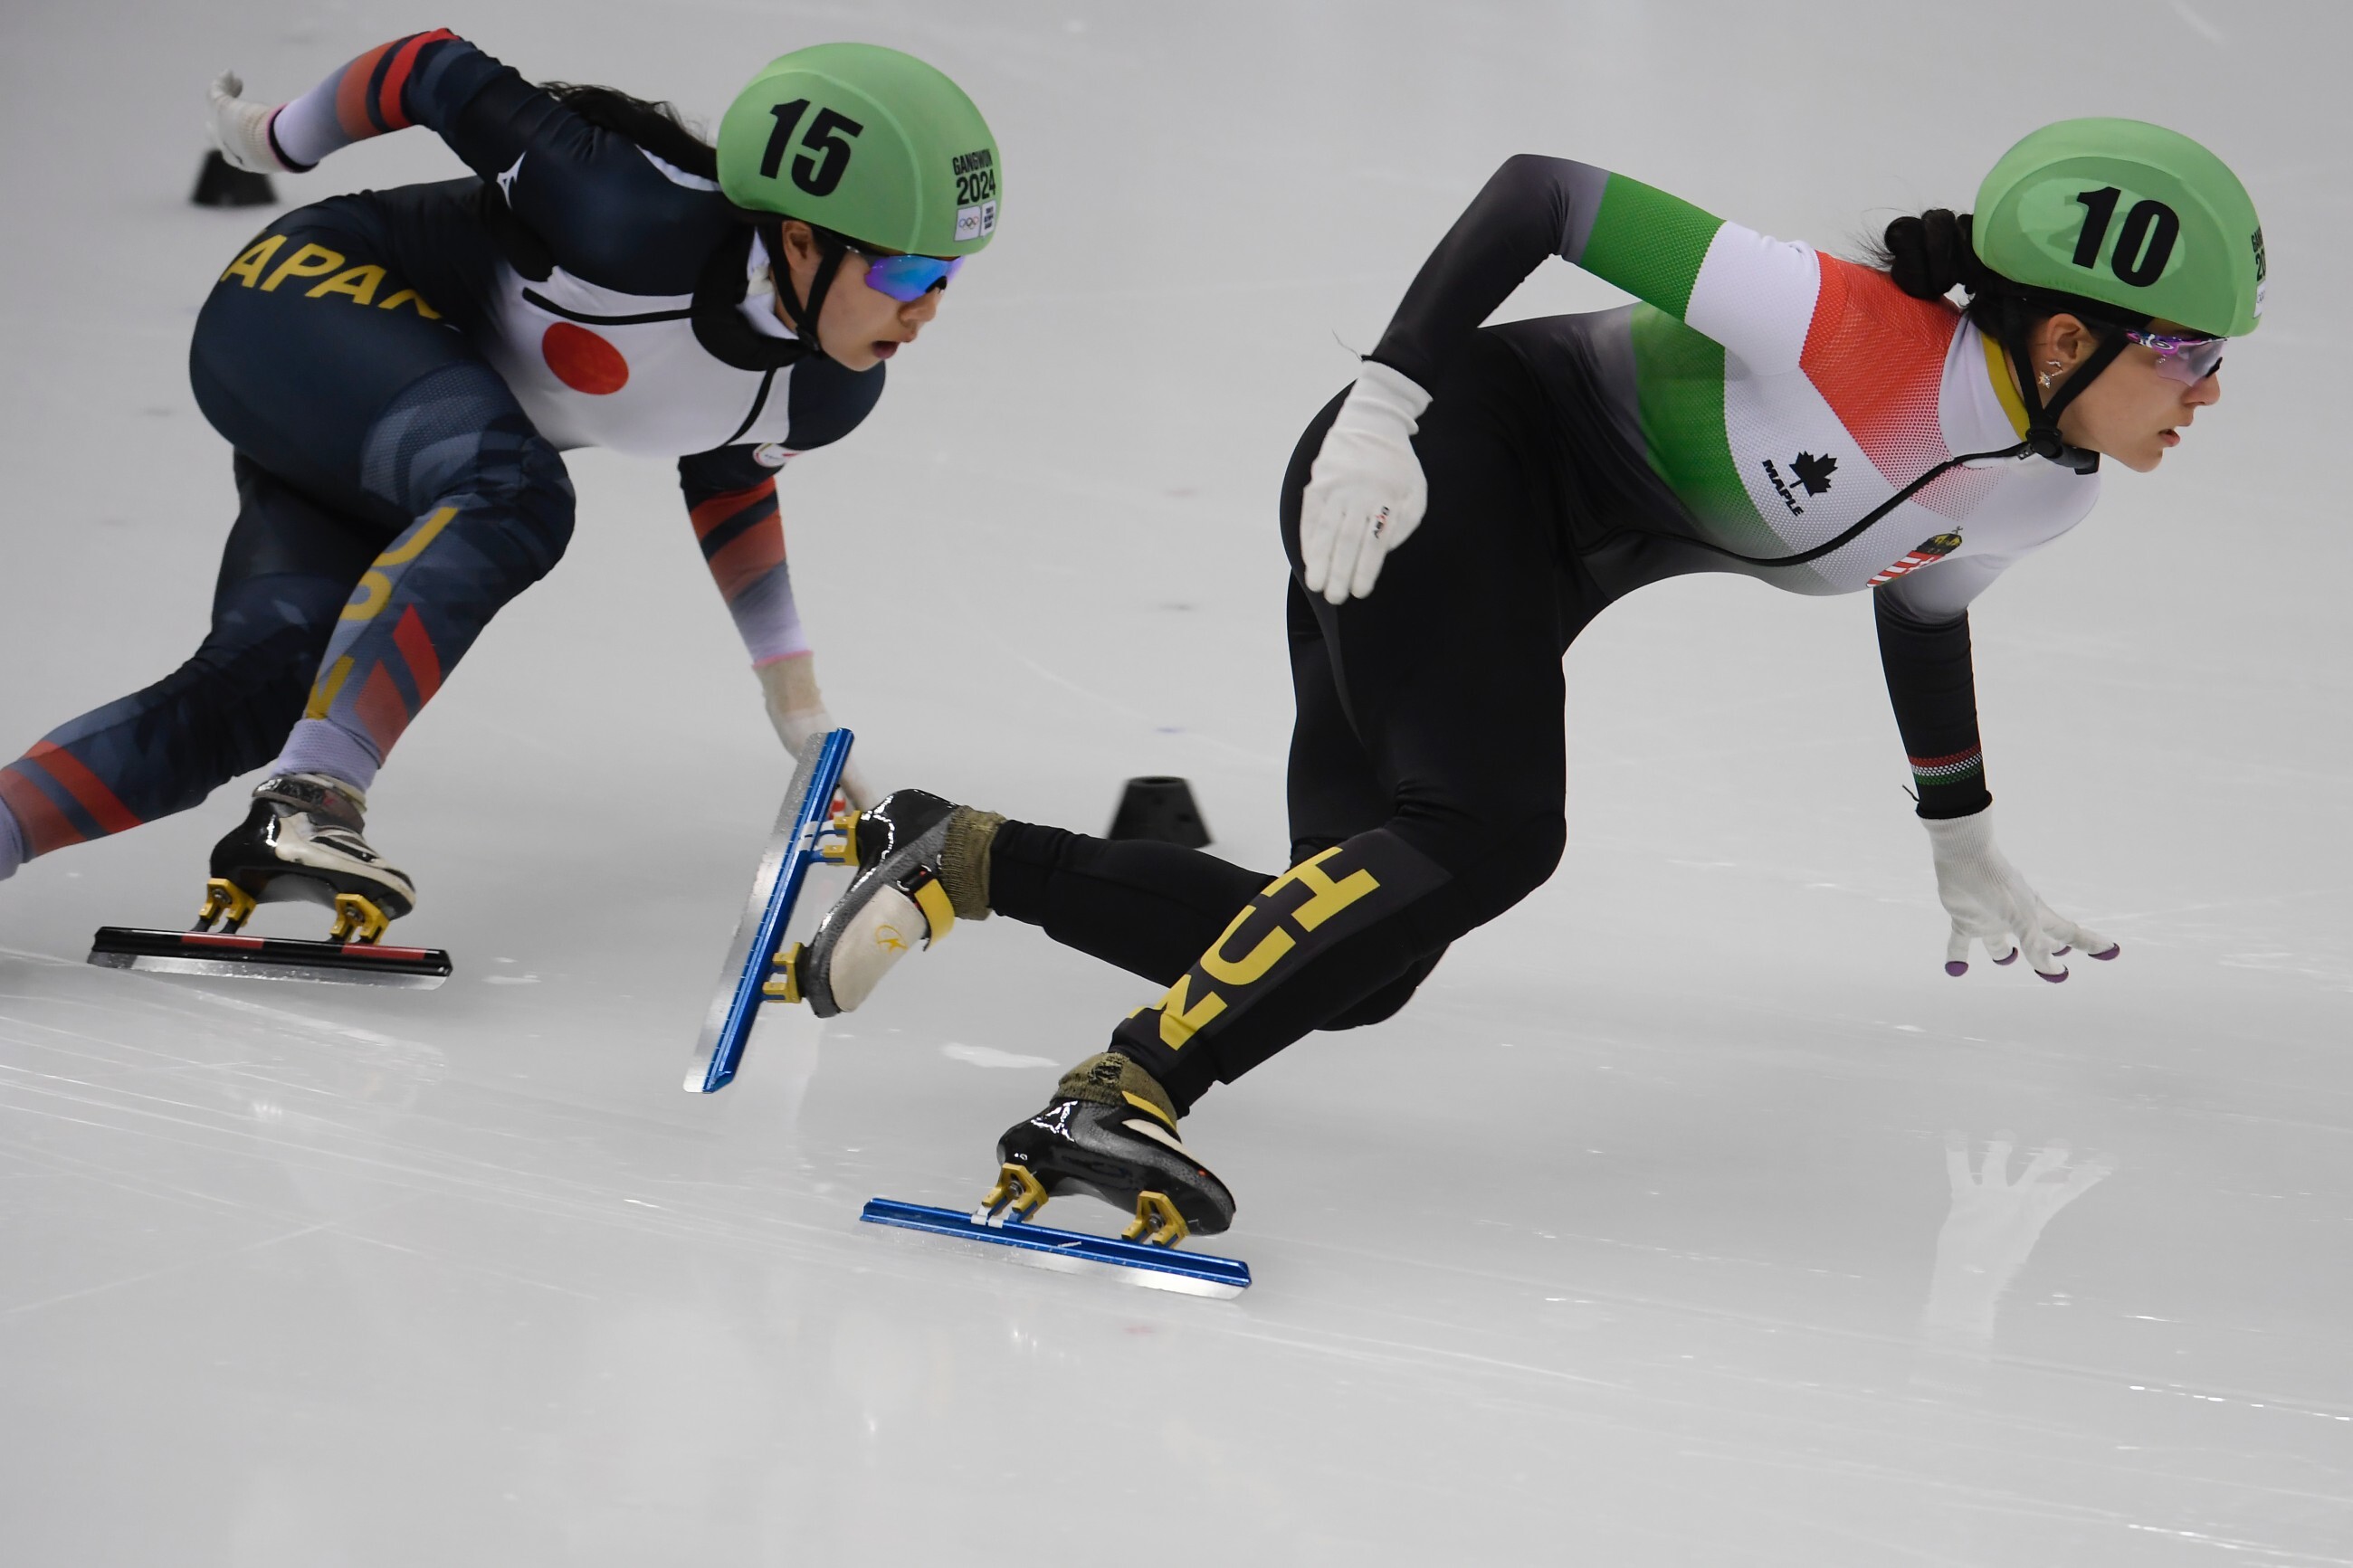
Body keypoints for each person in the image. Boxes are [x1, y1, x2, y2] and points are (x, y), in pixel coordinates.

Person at [780, 119, 2265, 1245]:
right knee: (1491, 827)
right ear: (2065, 335)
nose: (2210, 390)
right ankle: (1123, 1089)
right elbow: (1547, 193)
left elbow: (1922, 611)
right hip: (1426, 468)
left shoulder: (2044, 492)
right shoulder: (1843, 323)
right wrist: (1382, 406)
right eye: (2189, 352)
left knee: (1356, 957)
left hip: (1521, 572)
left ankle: (958, 853)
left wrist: (1962, 831)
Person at [0, 34, 1002, 942]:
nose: (926, 310)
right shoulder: (625, 209)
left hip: (382, 443)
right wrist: (272, 139)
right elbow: (428, 69)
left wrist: (794, 699)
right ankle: (312, 797)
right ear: (801, 239)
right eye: (906, 274)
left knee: (259, 691)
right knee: (515, 490)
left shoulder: (826, 391)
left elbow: (730, 475)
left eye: (949, 278)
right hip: (300, 302)